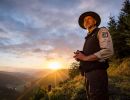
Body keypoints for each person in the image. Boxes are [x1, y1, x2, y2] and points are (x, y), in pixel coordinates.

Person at [73, 11, 114, 100]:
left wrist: (85, 57)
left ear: (95, 21)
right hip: (88, 74)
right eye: (84, 20)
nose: (86, 21)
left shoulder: (101, 31)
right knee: (91, 97)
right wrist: (81, 55)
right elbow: (92, 52)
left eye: (89, 19)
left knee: (98, 97)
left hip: (97, 73)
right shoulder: (88, 37)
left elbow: (108, 50)